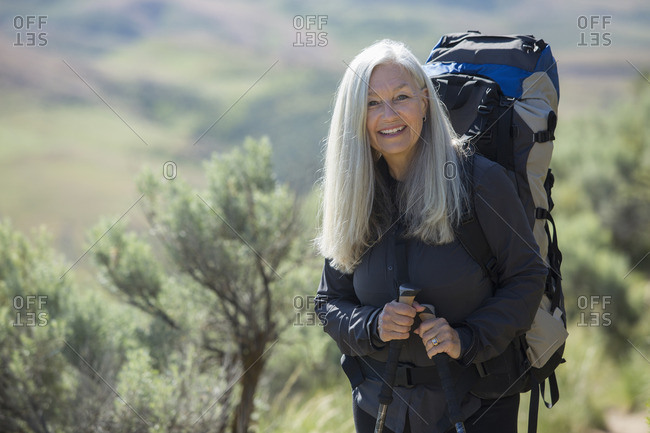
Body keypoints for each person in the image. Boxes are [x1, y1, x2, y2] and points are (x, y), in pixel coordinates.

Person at [314, 39, 547, 433]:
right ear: (355, 115)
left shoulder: (480, 182)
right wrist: (373, 325)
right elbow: (328, 302)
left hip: (476, 407)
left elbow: (527, 277)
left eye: (401, 96)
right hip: (378, 408)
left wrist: (466, 338)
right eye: (372, 103)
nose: (388, 114)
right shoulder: (355, 195)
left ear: (424, 100)